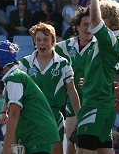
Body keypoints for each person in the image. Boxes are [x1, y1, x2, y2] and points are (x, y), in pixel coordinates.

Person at [76, 0, 119, 154]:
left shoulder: (109, 40)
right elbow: (106, 7)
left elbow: (96, 18)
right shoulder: (115, 36)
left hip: (95, 104)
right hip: (103, 105)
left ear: (108, 21)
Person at [0, 40, 60, 153]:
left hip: (38, 135)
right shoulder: (14, 76)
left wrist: (7, 146)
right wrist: (3, 113)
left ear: (2, 58)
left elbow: (14, 112)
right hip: (36, 134)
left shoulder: (14, 78)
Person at [23, 23, 81, 154]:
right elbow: (14, 90)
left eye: (45, 39)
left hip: (54, 118)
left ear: (53, 41)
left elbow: (72, 92)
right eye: (38, 40)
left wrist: (80, 117)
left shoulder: (63, 64)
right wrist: (4, 112)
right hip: (31, 118)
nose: (41, 43)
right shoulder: (25, 63)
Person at [55, 7, 96, 154]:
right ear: (77, 26)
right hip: (73, 103)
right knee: (71, 145)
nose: (89, 27)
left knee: (91, 147)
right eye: (85, 24)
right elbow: (46, 52)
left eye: (92, 24)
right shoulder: (65, 46)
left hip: (95, 103)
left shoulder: (100, 46)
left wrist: (92, 82)